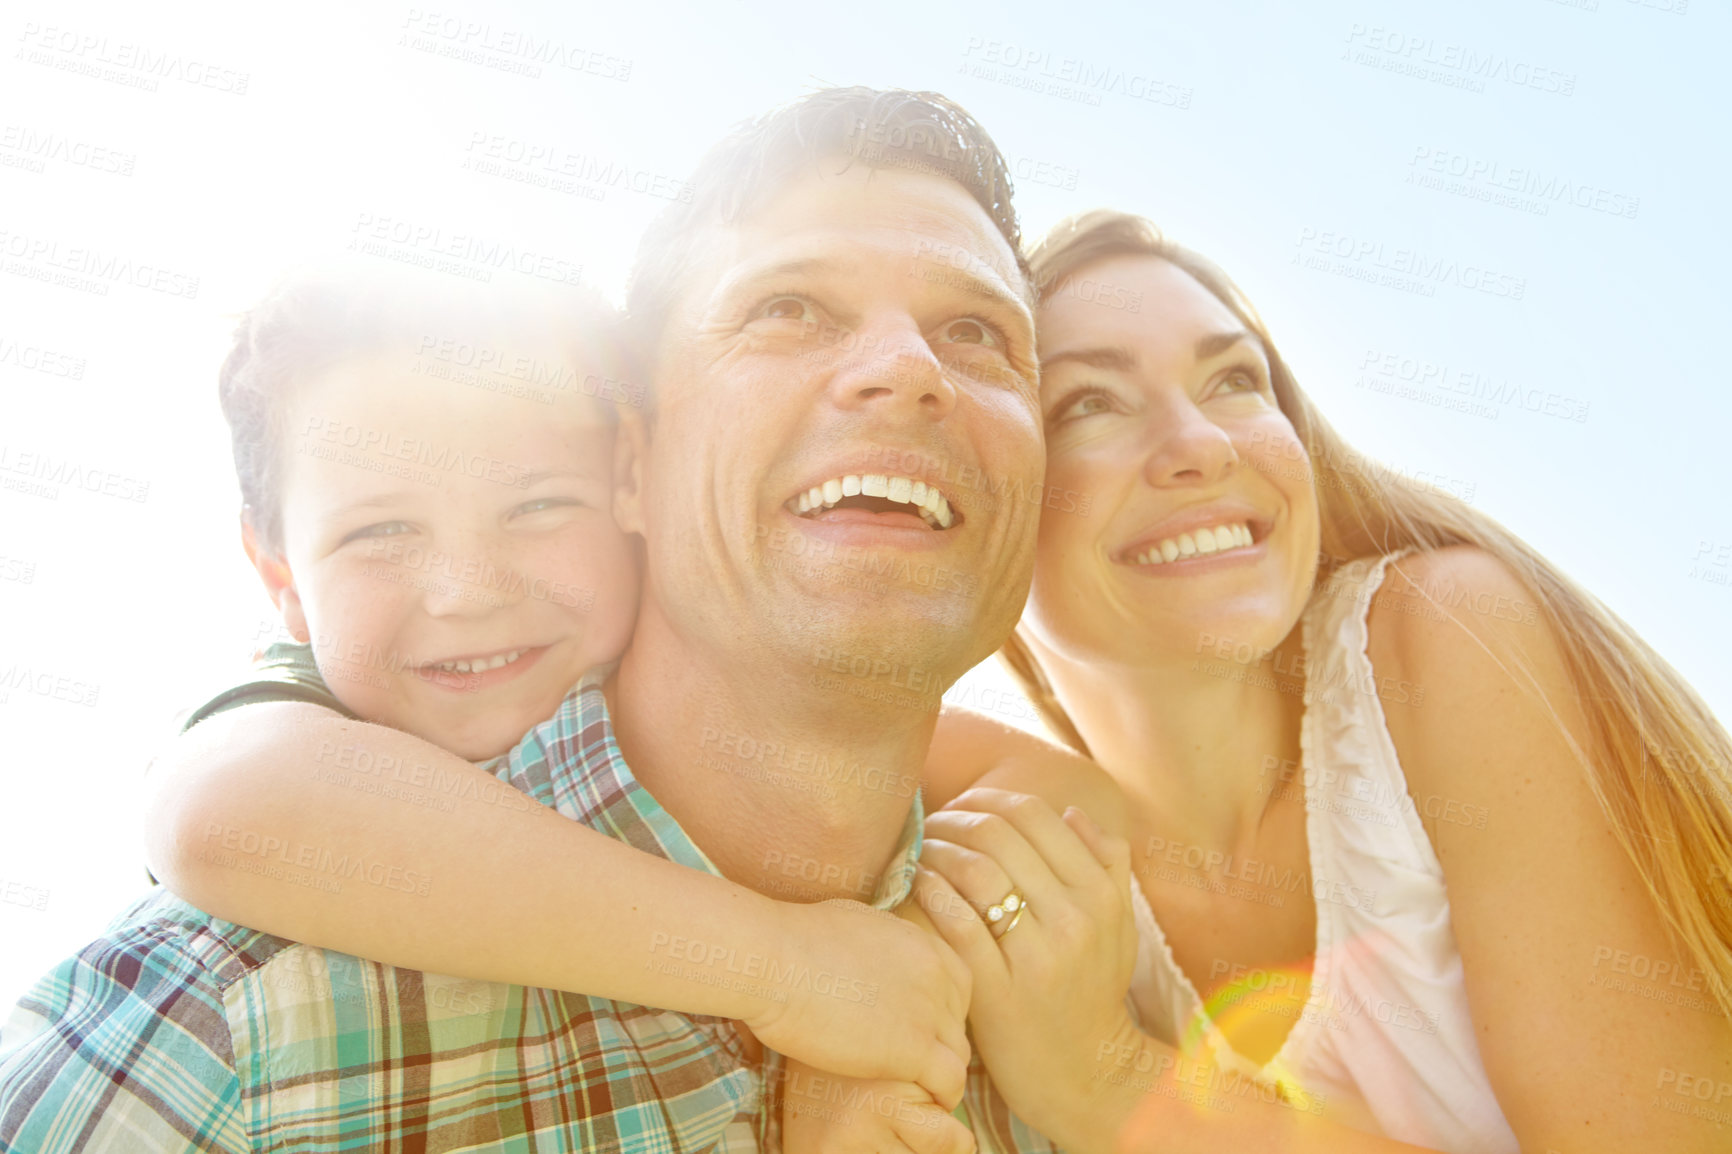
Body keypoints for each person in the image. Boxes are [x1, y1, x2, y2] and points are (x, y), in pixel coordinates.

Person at [0, 89, 1125, 1153]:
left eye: (977, 331)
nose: (906, 369)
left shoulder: (1068, 991)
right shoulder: (232, 1029)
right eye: (789, 308)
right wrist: (795, 967)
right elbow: (222, 804)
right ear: (632, 466)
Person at [907, 210, 1732, 1153]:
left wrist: (1111, 1086)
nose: (1201, 444)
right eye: (1089, 403)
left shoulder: (1442, 637)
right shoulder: (1033, 822)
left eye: (1233, 381)